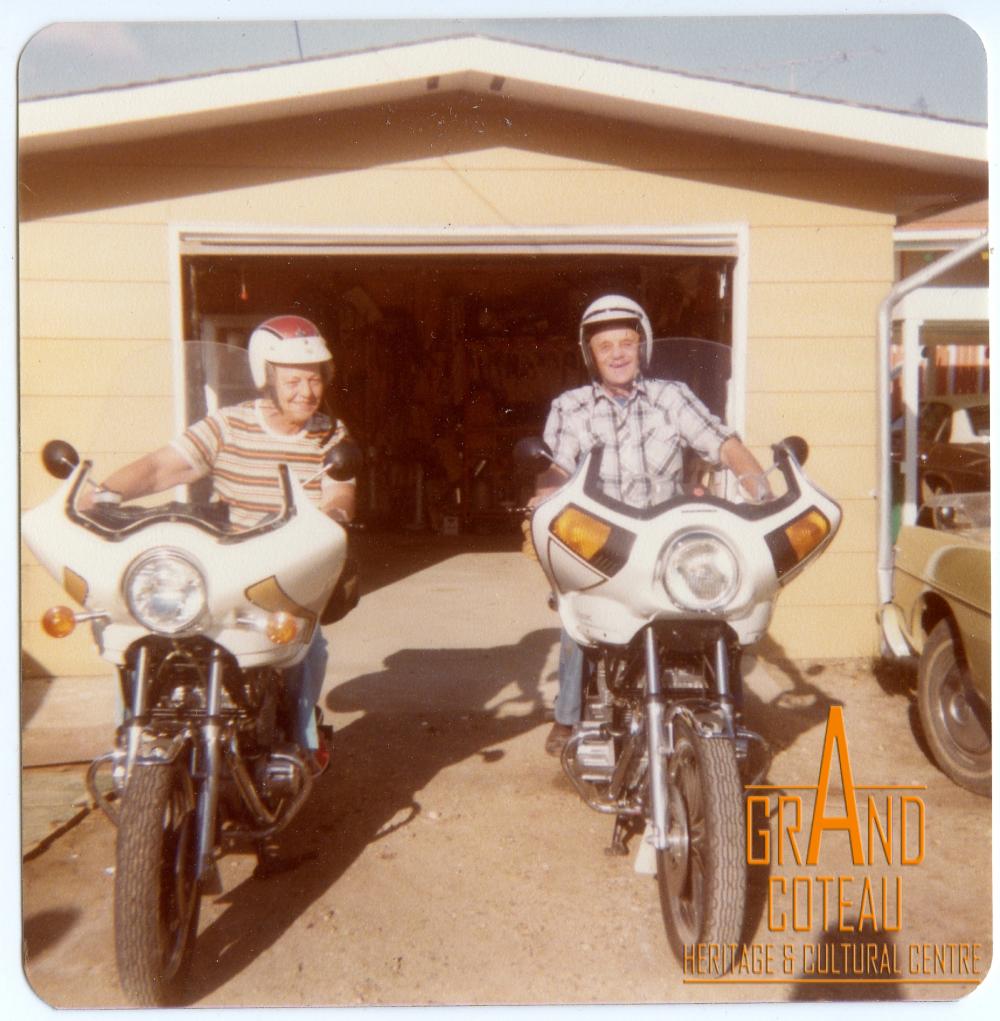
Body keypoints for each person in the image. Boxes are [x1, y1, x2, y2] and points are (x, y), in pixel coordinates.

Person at [81, 314, 356, 773]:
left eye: (314, 380)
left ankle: (299, 742)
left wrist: (334, 516)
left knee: (310, 646)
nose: (306, 392)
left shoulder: (330, 434)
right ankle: (132, 746)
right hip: (229, 564)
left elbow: (341, 490)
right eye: (293, 381)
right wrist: (103, 493)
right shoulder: (227, 426)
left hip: (288, 570)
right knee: (140, 635)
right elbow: (160, 467)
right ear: (265, 378)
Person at [533, 294, 770, 756]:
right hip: (603, 543)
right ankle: (568, 716)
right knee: (576, 614)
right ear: (591, 355)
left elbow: (721, 442)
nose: (618, 354)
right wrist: (546, 494)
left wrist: (754, 480)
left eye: (627, 342)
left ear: (642, 346)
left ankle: (726, 710)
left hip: (664, 540)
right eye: (606, 347)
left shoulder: (671, 396)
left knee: (721, 607)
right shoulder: (571, 407)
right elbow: (556, 468)